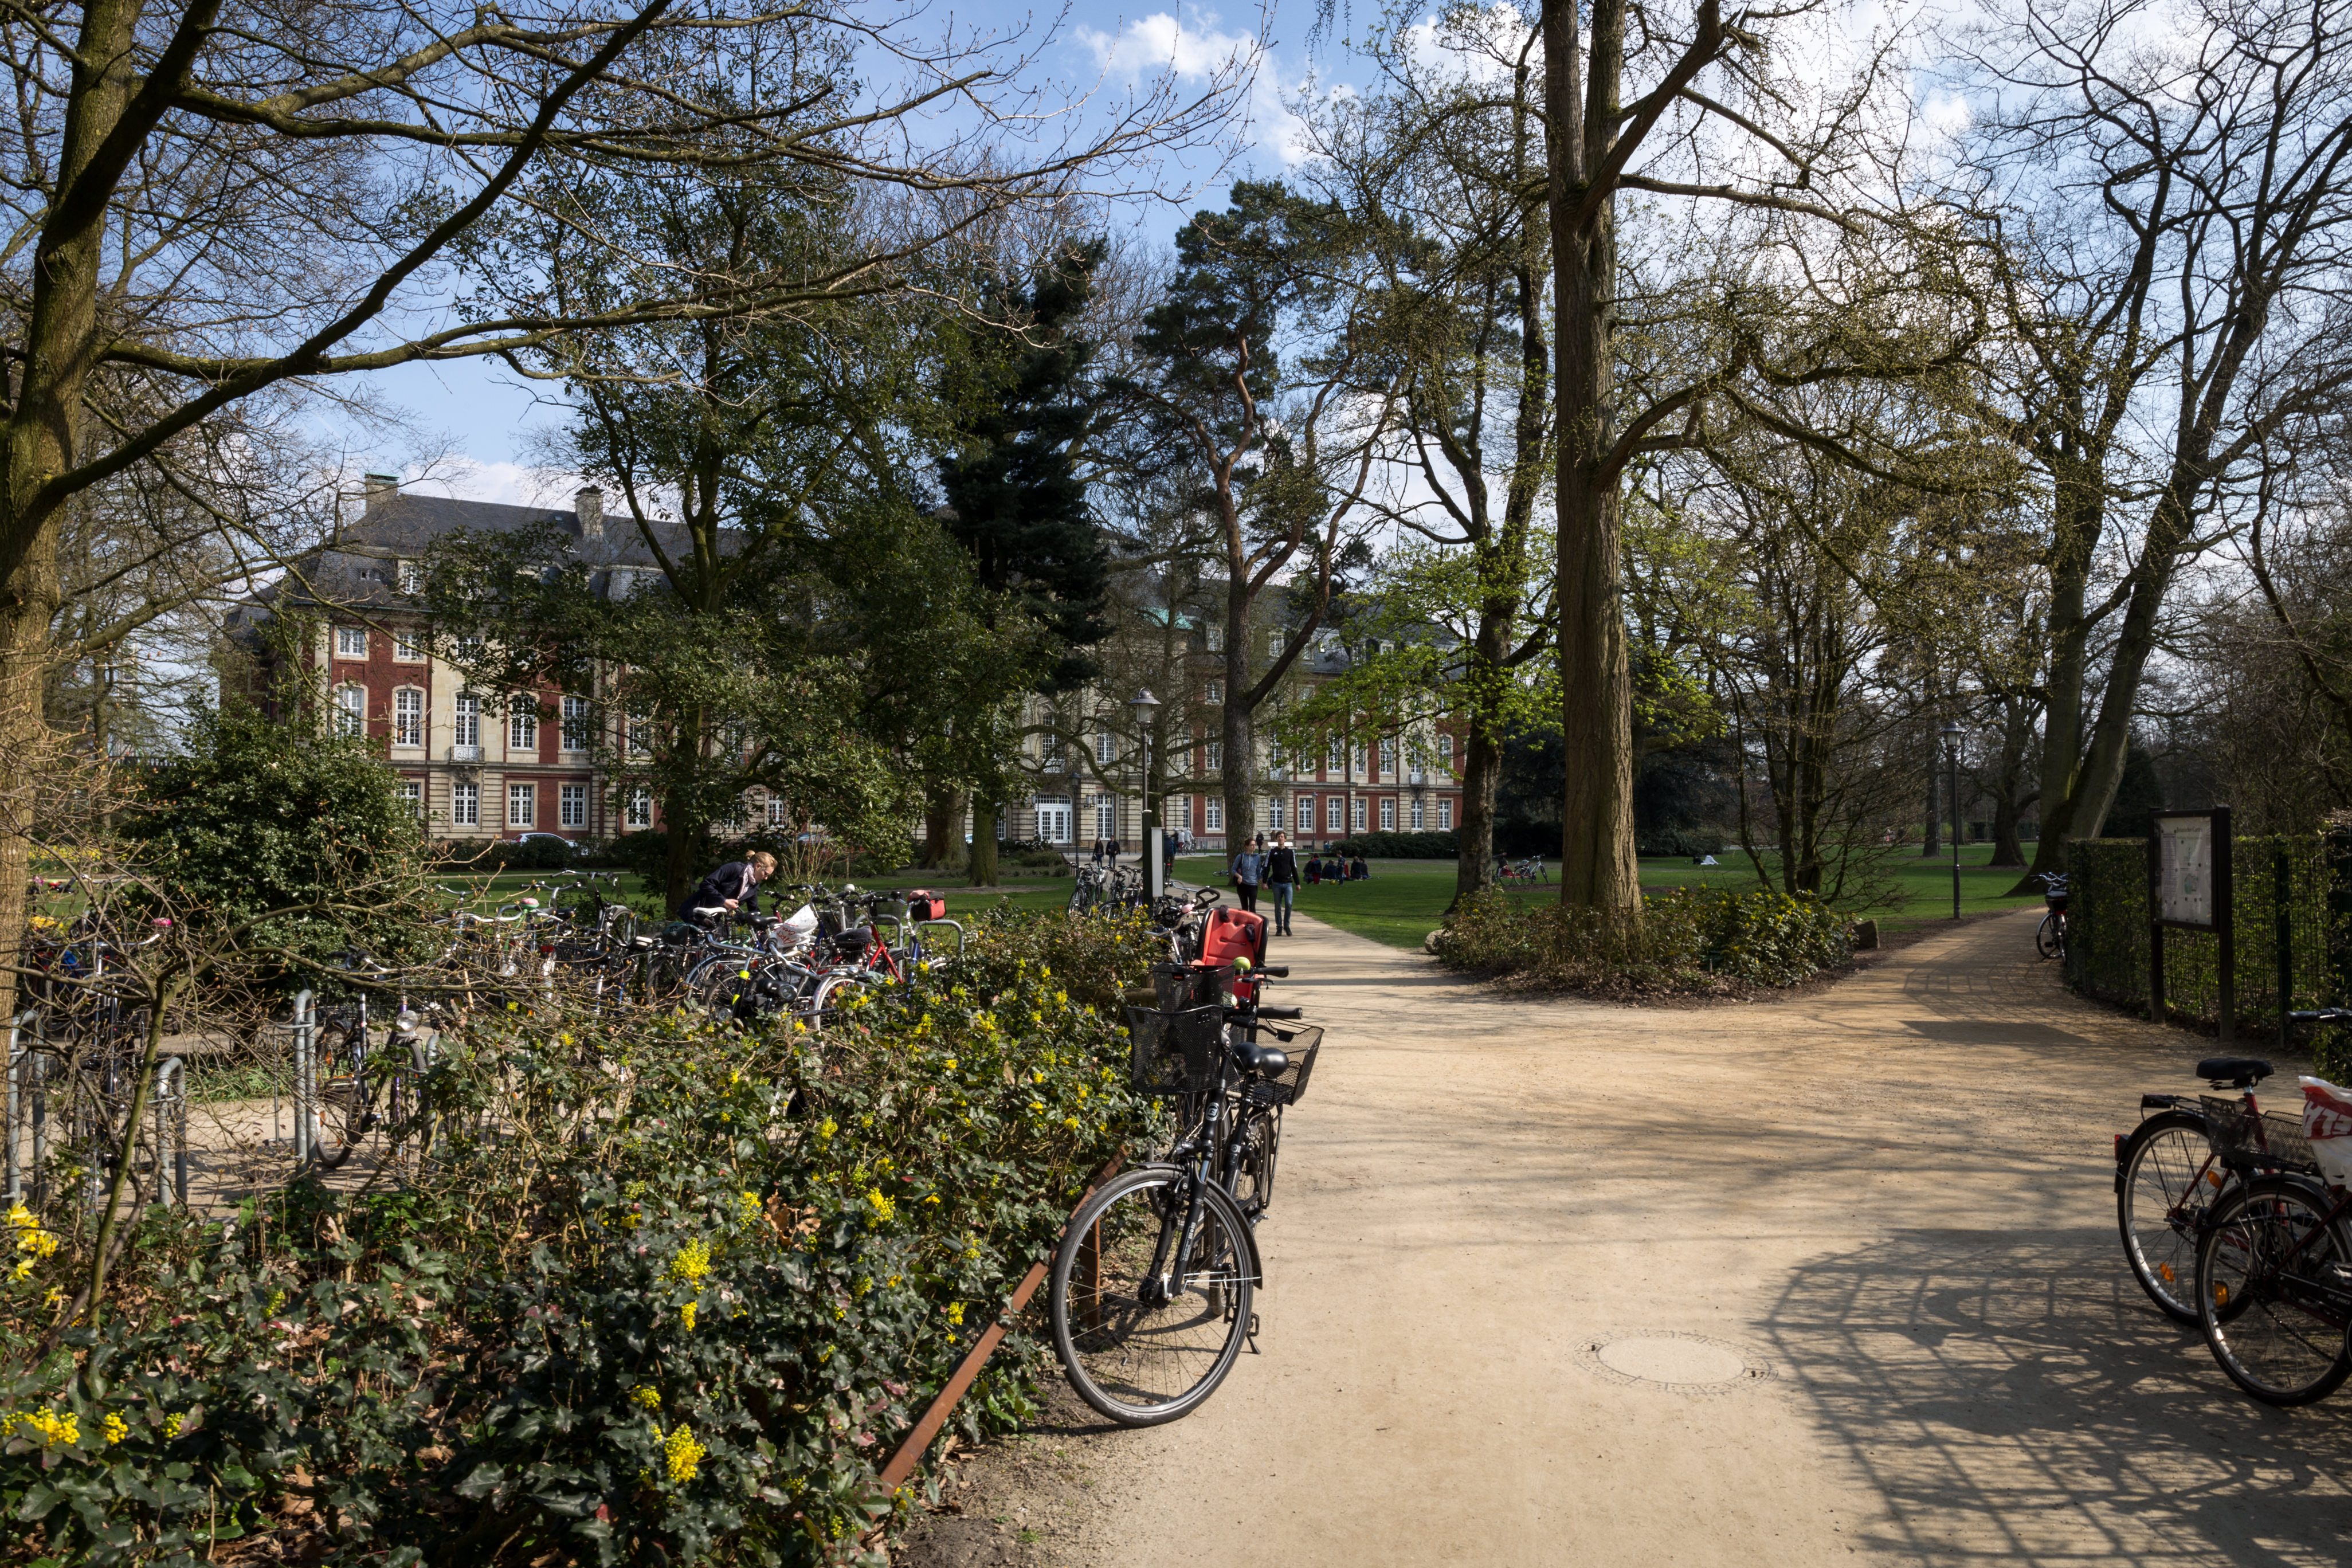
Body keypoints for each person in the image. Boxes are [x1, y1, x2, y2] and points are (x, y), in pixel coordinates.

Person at [679, 849, 775, 926]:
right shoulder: (735, 868)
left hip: (716, 921)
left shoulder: (754, 886)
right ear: (758, 866)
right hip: (696, 913)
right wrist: (724, 901)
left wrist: (764, 927)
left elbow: (754, 911)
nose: (766, 878)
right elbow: (706, 884)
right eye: (766, 874)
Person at [1265, 831, 1298, 935]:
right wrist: (1265, 882)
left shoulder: (1290, 853)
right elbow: (1267, 867)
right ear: (1276, 839)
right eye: (1279, 837)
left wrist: (1297, 883)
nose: (1280, 838)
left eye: (1282, 837)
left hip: (1288, 883)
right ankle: (1279, 927)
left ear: (1285, 839)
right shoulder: (1272, 852)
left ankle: (1287, 926)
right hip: (1276, 883)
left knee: (1289, 904)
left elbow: (1294, 868)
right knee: (1278, 907)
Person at [1230, 841, 1263, 912]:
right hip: (1242, 885)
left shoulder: (1257, 858)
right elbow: (1233, 869)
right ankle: (1245, 920)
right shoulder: (1241, 856)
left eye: (1255, 845)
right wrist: (1239, 876)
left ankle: (1253, 920)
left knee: (1252, 907)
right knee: (1244, 907)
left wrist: (1263, 883)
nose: (1254, 847)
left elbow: (1258, 872)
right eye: (1252, 845)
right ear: (1246, 846)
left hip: (1253, 884)